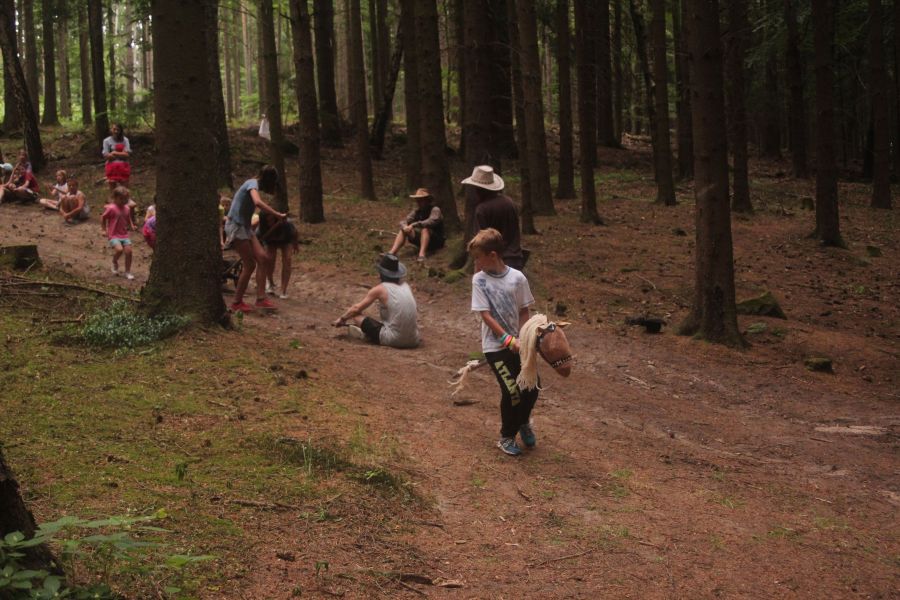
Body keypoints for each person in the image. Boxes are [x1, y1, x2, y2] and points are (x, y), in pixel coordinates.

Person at [468, 227, 537, 456]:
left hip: (519, 344)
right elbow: (485, 315)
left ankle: (523, 421)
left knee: (531, 388)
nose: (476, 262)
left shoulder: (517, 278)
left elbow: (524, 310)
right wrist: (507, 340)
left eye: (478, 257)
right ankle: (507, 436)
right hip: (495, 347)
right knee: (512, 391)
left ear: (493, 255)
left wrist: (523, 338)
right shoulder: (479, 280)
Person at [225, 165, 286, 312]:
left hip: (245, 227)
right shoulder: (252, 183)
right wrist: (277, 214)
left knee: (263, 258)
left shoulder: (254, 185)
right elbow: (257, 202)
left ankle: (261, 299)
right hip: (236, 226)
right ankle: (236, 302)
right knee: (250, 264)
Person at [332, 254, 420, 349]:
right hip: (414, 339)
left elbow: (356, 309)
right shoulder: (406, 286)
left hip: (393, 340)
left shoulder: (380, 289)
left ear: (382, 273)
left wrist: (342, 319)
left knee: (356, 316)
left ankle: (367, 336)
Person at [462, 165, 526, 270]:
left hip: (493, 263)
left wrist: (478, 270)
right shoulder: (510, 202)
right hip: (515, 260)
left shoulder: (482, 209)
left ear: (479, 189)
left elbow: (480, 244)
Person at [388, 188, 445, 263]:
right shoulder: (417, 211)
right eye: (418, 200)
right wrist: (405, 227)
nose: (418, 202)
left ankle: (421, 255)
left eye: (421, 200)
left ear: (427, 200)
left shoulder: (435, 209)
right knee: (403, 230)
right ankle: (391, 253)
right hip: (422, 239)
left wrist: (414, 224)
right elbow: (405, 220)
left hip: (436, 241)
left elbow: (431, 221)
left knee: (425, 229)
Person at [257, 212, 299, 299]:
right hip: (270, 241)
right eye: (268, 221)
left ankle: (283, 290)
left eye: (272, 219)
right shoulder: (261, 228)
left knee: (287, 260)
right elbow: (258, 238)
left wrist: (295, 244)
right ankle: (270, 282)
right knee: (270, 259)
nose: (270, 222)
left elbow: (295, 232)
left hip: (286, 240)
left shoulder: (286, 224)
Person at [100, 186, 137, 280]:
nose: (124, 201)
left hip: (124, 234)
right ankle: (114, 261)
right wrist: (103, 230)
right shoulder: (111, 208)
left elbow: (128, 217)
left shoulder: (127, 208)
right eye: (121, 199)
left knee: (129, 252)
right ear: (115, 198)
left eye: (126, 199)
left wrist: (131, 225)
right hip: (113, 234)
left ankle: (127, 272)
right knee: (119, 250)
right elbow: (103, 217)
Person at [102, 123, 131, 189]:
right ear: (111, 130)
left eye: (118, 130)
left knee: (124, 189)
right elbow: (106, 155)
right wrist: (121, 154)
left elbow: (127, 155)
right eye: (114, 129)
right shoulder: (106, 141)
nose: (116, 131)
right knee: (113, 190)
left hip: (124, 167)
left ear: (121, 131)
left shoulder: (125, 140)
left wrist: (114, 153)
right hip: (111, 167)